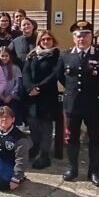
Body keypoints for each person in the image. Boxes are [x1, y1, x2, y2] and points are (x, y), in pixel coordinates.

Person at [57, 20, 99, 187]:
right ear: (73, 37)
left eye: (86, 35)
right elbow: (61, 77)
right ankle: (72, 168)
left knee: (95, 138)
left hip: (94, 104)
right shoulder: (65, 55)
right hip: (72, 104)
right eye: (78, 35)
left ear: (91, 36)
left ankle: (94, 171)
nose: (82, 38)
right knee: (71, 137)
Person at [22, 29, 61, 169]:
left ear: (53, 41)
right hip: (32, 97)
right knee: (33, 125)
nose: (46, 42)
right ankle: (36, 147)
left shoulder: (57, 56)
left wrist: (38, 88)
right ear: (39, 41)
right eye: (43, 39)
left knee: (46, 126)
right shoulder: (32, 55)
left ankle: (44, 155)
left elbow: (54, 74)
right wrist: (29, 88)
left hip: (47, 96)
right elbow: (25, 72)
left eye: (48, 39)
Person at [0, 47, 23, 127]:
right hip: (0, 97)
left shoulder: (15, 68)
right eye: (2, 56)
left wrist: (11, 95)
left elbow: (18, 83)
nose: (4, 58)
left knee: (11, 118)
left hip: (12, 98)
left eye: (6, 56)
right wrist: (0, 95)